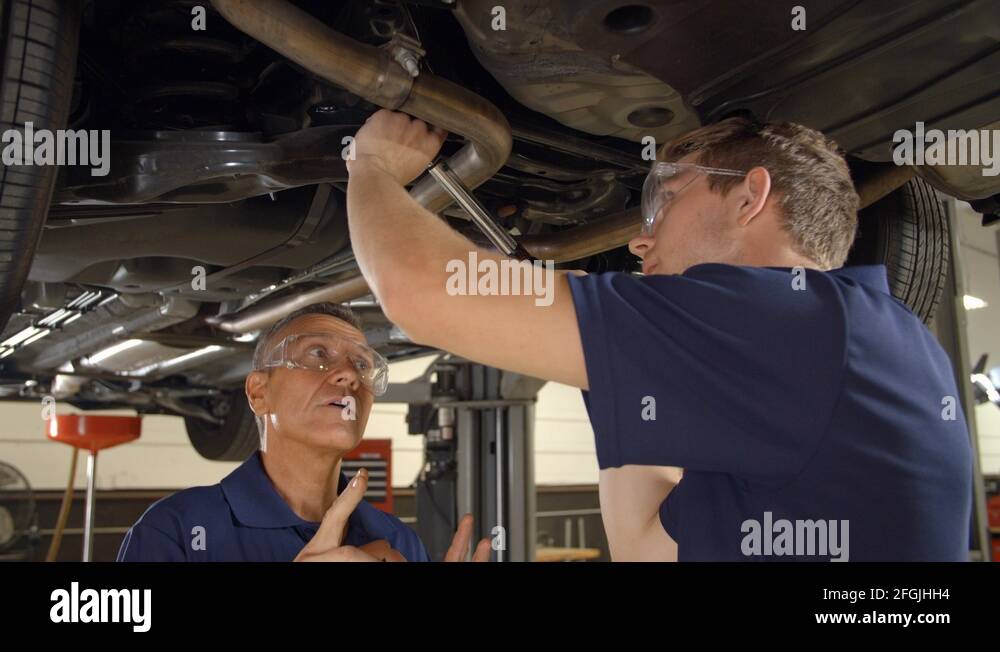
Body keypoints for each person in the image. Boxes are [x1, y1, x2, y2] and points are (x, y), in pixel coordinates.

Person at [343, 110, 973, 561]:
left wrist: (371, 165)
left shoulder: (798, 325)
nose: (641, 237)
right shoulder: (864, 335)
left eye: (663, 201)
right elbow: (645, 544)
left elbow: (419, 291)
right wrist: (614, 358)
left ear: (750, 197)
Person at [117, 302, 491, 562]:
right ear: (259, 393)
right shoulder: (175, 531)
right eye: (317, 354)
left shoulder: (398, 541)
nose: (349, 374)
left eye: (361, 363)